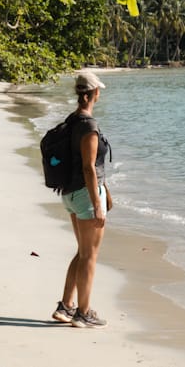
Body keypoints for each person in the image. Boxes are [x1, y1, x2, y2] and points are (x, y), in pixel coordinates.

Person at [52, 71, 111, 328]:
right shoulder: (89, 126)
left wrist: (105, 191)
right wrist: (97, 203)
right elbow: (88, 167)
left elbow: (86, 164)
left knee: (83, 252)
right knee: (90, 255)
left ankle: (66, 306)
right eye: (99, 90)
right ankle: (84, 313)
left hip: (70, 194)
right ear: (94, 93)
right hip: (85, 194)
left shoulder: (73, 120)